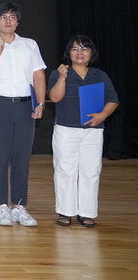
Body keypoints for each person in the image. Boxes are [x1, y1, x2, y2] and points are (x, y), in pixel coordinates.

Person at [0, 2, 46, 227]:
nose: (8, 21)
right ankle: (1, 206)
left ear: (17, 22)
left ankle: (19, 206)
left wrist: (40, 103)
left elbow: (38, 75)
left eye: (12, 17)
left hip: (25, 105)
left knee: (22, 157)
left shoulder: (30, 45)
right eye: (3, 17)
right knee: (0, 156)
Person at [48, 35, 118, 228]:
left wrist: (102, 115)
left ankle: (86, 212)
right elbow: (54, 97)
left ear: (91, 53)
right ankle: (65, 211)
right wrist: (62, 77)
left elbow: (113, 100)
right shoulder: (59, 73)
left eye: (84, 48)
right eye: (75, 48)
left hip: (93, 131)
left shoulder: (100, 75)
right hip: (66, 129)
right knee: (65, 170)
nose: (80, 52)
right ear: (68, 53)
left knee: (91, 171)